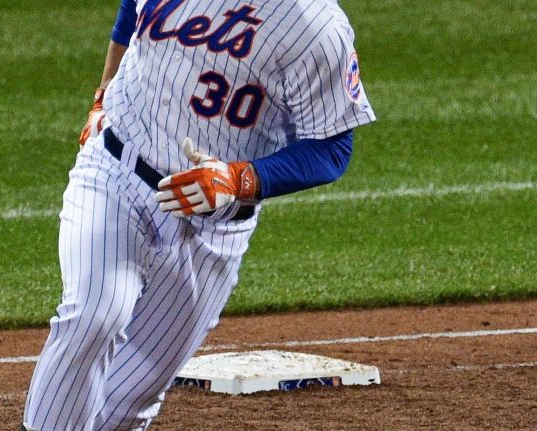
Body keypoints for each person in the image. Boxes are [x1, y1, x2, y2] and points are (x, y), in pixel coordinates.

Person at [21, 0, 375, 429]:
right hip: (116, 174)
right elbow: (130, 12)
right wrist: (103, 94)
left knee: (126, 400)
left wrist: (238, 179)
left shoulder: (314, 25)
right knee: (96, 313)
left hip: (214, 229)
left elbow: (332, 148)